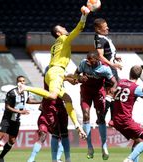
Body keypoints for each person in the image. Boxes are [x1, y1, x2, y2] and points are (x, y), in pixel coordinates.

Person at [18, 6, 90, 135]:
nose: (65, 29)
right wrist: (84, 16)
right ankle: (24, 87)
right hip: (56, 71)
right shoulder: (63, 39)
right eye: (63, 28)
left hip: (53, 72)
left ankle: (78, 127)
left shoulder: (55, 45)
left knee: (67, 99)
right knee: (52, 96)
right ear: (58, 33)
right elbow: (78, 29)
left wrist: (69, 78)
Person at [28, 73, 86, 162]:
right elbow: (66, 77)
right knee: (46, 135)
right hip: (48, 111)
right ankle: (34, 159)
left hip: (58, 108)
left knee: (62, 134)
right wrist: (74, 78)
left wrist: (75, 78)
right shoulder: (52, 79)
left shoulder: (59, 82)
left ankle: (63, 159)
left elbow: (67, 77)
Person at [0, 76, 41, 162]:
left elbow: (29, 101)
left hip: (16, 121)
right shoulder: (11, 93)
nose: (22, 83)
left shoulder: (26, 92)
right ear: (17, 83)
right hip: (7, 119)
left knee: (12, 141)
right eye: (20, 81)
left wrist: (40, 101)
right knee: (0, 136)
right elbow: (7, 107)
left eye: (23, 81)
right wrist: (20, 112)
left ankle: (0, 157)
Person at [73, 53, 117, 160]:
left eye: (90, 61)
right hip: (86, 92)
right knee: (86, 115)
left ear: (96, 60)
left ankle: (104, 146)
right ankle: (89, 147)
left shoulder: (105, 69)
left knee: (101, 118)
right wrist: (79, 78)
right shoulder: (84, 63)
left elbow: (114, 82)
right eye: (87, 60)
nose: (88, 62)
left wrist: (113, 89)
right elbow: (75, 74)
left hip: (98, 93)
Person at [112, 65, 143, 162]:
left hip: (116, 120)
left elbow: (116, 92)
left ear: (129, 73)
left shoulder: (120, 82)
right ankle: (129, 159)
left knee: (137, 140)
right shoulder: (136, 88)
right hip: (125, 121)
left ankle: (131, 159)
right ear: (139, 76)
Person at [94, 18, 122, 123]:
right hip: (109, 69)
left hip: (109, 67)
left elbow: (106, 53)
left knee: (113, 93)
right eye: (104, 27)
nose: (107, 28)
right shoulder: (99, 39)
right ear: (98, 29)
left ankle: (111, 118)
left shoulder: (102, 37)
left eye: (107, 26)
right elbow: (100, 56)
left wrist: (115, 56)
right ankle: (102, 116)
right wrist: (112, 64)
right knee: (113, 91)